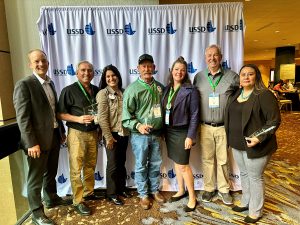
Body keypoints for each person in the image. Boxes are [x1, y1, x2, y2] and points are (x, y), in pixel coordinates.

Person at [13, 49, 71, 225]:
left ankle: (52, 198)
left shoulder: (50, 83)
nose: (41, 64)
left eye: (43, 61)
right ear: (30, 64)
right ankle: (37, 213)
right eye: (36, 61)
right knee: (35, 178)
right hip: (36, 142)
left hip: (53, 136)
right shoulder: (24, 84)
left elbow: (53, 111)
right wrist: (31, 143)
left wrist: (60, 131)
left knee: (51, 172)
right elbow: (22, 118)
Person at [224, 64, 281, 223]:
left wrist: (258, 137)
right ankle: (246, 202)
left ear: (256, 76)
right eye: (243, 74)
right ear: (239, 78)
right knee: (244, 174)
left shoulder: (263, 95)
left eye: (250, 74)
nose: (246, 77)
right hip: (237, 143)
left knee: (255, 177)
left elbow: (274, 121)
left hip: (256, 145)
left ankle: (256, 211)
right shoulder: (237, 94)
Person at [193, 44, 239, 205]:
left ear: (221, 57)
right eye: (209, 56)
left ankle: (224, 190)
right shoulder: (198, 77)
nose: (212, 58)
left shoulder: (233, 76)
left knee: (223, 160)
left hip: (223, 127)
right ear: (205, 58)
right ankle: (209, 188)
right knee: (207, 159)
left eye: (215, 55)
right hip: (204, 126)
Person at [122, 54, 166, 210]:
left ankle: (154, 190)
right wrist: (138, 126)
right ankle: (143, 194)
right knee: (141, 165)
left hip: (157, 134)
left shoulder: (160, 87)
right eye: (143, 66)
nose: (147, 69)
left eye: (149, 66)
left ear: (154, 68)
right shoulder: (132, 90)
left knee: (155, 164)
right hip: (140, 136)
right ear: (138, 69)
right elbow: (126, 117)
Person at [58, 61, 101, 216]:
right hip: (76, 133)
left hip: (93, 133)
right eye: (83, 70)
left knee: (90, 165)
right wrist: (78, 119)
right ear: (76, 73)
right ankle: (78, 200)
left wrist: (100, 128)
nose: (86, 73)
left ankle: (89, 192)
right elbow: (60, 113)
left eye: (89, 70)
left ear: (93, 73)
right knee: (76, 168)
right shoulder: (68, 90)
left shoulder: (97, 90)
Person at [161, 57, 200, 212]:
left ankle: (192, 197)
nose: (179, 72)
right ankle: (181, 190)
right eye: (176, 69)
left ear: (186, 73)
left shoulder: (191, 90)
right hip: (169, 131)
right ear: (172, 71)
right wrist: (164, 131)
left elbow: (195, 114)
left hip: (182, 132)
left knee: (183, 166)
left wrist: (190, 136)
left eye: (182, 70)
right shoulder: (167, 89)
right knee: (176, 163)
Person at [96, 65, 131, 206]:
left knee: (121, 162)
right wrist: (108, 137)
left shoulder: (124, 92)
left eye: (113, 75)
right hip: (111, 134)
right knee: (112, 164)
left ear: (118, 76)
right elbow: (102, 118)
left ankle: (121, 188)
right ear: (105, 79)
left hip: (124, 132)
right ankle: (111, 193)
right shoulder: (103, 94)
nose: (111, 78)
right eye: (108, 76)